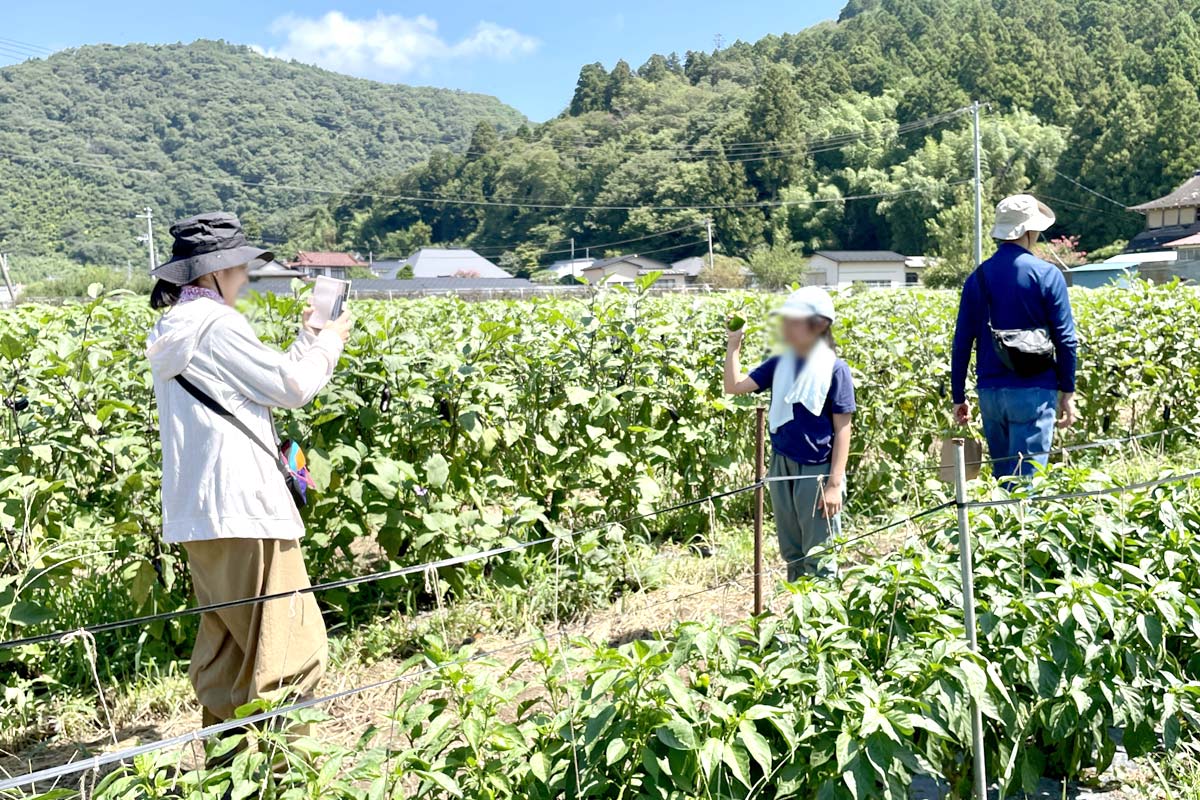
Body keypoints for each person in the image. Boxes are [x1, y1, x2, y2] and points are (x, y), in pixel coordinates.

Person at [145, 212, 353, 742]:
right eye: (238, 267)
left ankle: (228, 775)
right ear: (213, 272)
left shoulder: (173, 328)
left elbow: (260, 384)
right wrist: (330, 340)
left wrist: (307, 335)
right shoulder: (217, 325)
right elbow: (291, 386)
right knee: (291, 653)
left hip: (199, 516)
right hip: (246, 509)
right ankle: (281, 776)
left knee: (231, 656)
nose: (243, 277)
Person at [724, 287, 855, 581]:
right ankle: (800, 618)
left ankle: (821, 622)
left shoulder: (835, 369)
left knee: (819, 554)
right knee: (792, 551)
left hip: (818, 470)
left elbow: (843, 429)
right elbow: (735, 386)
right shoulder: (780, 362)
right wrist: (734, 343)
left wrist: (834, 484)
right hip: (782, 463)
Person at [951, 195, 1079, 478]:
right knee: (1027, 485)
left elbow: (962, 342)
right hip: (1034, 388)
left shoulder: (978, 278)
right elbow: (1066, 340)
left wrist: (958, 395)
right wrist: (1067, 392)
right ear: (1029, 231)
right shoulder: (1047, 275)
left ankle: (1000, 522)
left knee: (1004, 477)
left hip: (990, 393)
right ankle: (1021, 523)